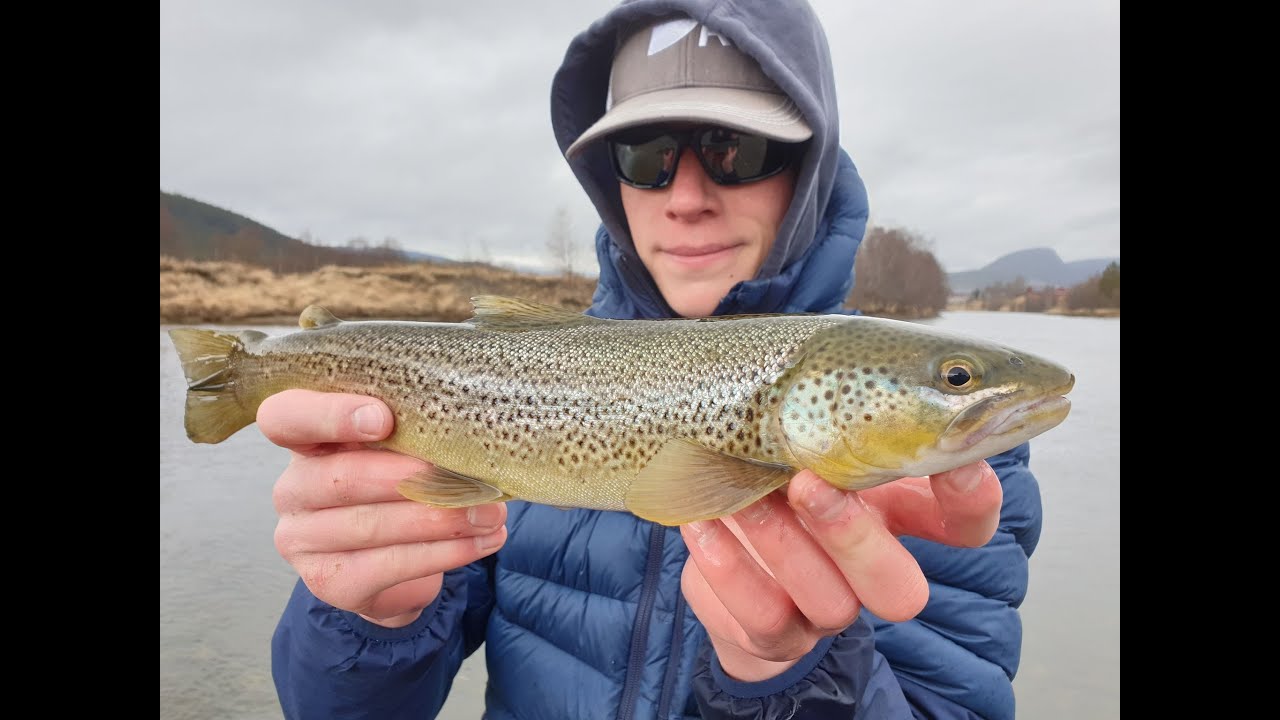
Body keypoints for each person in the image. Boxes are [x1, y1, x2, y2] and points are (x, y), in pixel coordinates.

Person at [264, 1, 1043, 718]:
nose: (686, 196)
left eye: (737, 149)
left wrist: (789, 680)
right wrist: (368, 614)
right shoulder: (505, 387)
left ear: (809, 168)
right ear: (612, 184)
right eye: (645, 155)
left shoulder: (954, 479)